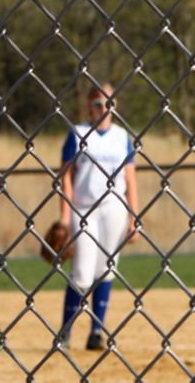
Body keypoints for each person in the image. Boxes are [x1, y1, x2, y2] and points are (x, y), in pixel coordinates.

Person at [58, 82, 140, 351]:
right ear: (89, 106)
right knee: (82, 274)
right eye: (98, 103)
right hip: (83, 209)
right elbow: (65, 177)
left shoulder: (122, 137)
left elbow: (130, 179)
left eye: (109, 103)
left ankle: (96, 332)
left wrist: (134, 217)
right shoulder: (78, 133)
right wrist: (64, 217)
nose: (103, 108)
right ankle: (65, 332)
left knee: (106, 268)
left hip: (114, 207)